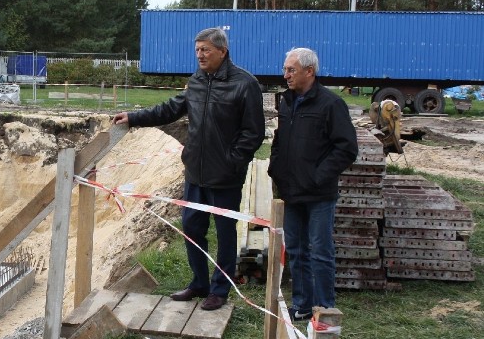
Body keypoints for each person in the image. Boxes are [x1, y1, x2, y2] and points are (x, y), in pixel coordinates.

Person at [113, 27, 265, 311]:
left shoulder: (245, 84)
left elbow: (253, 133)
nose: (200, 55)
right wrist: (133, 117)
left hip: (226, 176)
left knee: (225, 231)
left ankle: (220, 289)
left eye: (205, 50)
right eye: (197, 50)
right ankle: (199, 282)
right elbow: (170, 109)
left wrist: (233, 161)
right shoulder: (196, 81)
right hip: (195, 172)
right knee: (192, 227)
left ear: (222, 51)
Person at [268, 47, 358, 321]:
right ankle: (302, 304)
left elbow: (346, 148)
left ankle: (324, 308)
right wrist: (276, 169)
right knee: (295, 249)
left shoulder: (331, 104)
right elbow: (280, 140)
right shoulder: (286, 102)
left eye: (291, 70)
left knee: (320, 251)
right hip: (292, 191)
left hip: (319, 194)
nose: (286, 75)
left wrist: (318, 176)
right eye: (285, 69)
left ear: (310, 71)